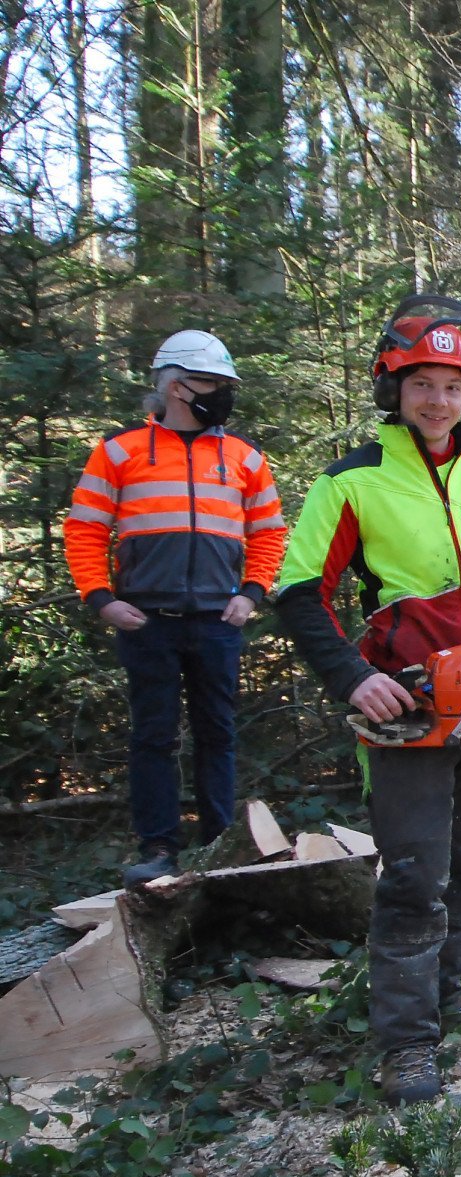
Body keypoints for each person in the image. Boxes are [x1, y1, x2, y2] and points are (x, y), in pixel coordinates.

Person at [274, 296, 461, 1106]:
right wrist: (352, 677)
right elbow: (299, 590)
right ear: (393, 388)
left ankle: (445, 997)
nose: (438, 400)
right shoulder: (351, 482)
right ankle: (406, 1044)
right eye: (423, 384)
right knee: (414, 875)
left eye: (452, 386)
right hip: (408, 704)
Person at [64, 330, 287, 889]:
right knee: (153, 736)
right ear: (174, 386)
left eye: (224, 384)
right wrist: (101, 598)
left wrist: (251, 592)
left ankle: (218, 845)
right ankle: (159, 848)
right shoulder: (119, 451)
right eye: (209, 382)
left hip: (218, 620)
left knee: (218, 733)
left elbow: (269, 532)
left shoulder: (244, 457)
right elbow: (85, 529)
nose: (221, 393)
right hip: (146, 620)